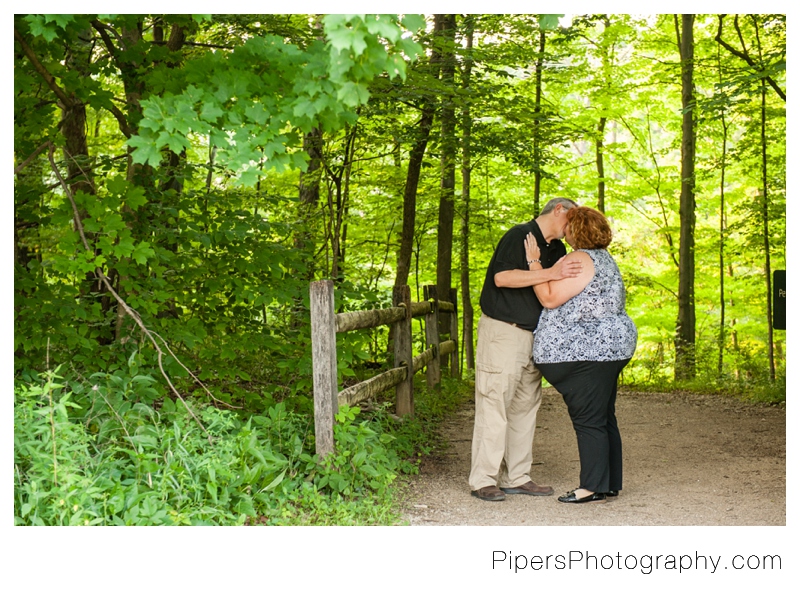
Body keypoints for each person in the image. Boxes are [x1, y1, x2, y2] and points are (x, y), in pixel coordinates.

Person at [469, 197, 580, 502]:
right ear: (559, 209)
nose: (573, 227)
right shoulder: (519, 234)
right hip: (503, 332)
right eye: (572, 219)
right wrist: (550, 273)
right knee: (494, 404)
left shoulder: (557, 250)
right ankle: (483, 479)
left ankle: (516, 476)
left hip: (536, 336)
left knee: (525, 408)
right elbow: (501, 278)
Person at [524, 206, 637, 504]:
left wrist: (535, 263)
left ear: (578, 230)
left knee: (589, 419)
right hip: (608, 349)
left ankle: (590, 487)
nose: (564, 230)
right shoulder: (605, 259)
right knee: (602, 416)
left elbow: (549, 298)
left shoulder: (580, 258)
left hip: (587, 352)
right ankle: (608, 482)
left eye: (569, 226)